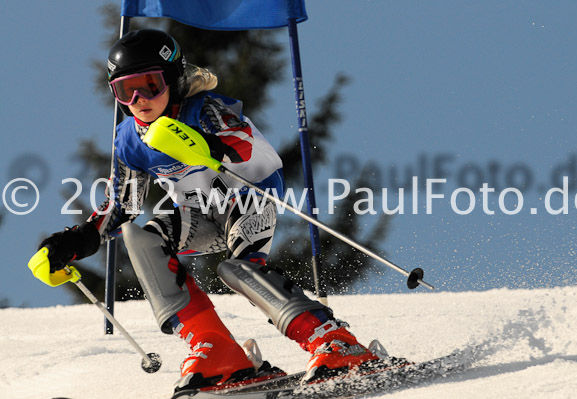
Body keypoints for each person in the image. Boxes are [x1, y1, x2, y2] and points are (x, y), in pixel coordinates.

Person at [37, 29, 387, 394]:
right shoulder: (129, 139)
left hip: (249, 198)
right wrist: (76, 241)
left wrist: (204, 146)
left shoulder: (203, 110)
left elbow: (243, 144)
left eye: (150, 85)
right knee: (139, 237)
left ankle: (332, 340)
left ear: (172, 79)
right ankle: (217, 350)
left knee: (236, 268)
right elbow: (124, 205)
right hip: (200, 213)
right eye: (126, 90)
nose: (139, 99)